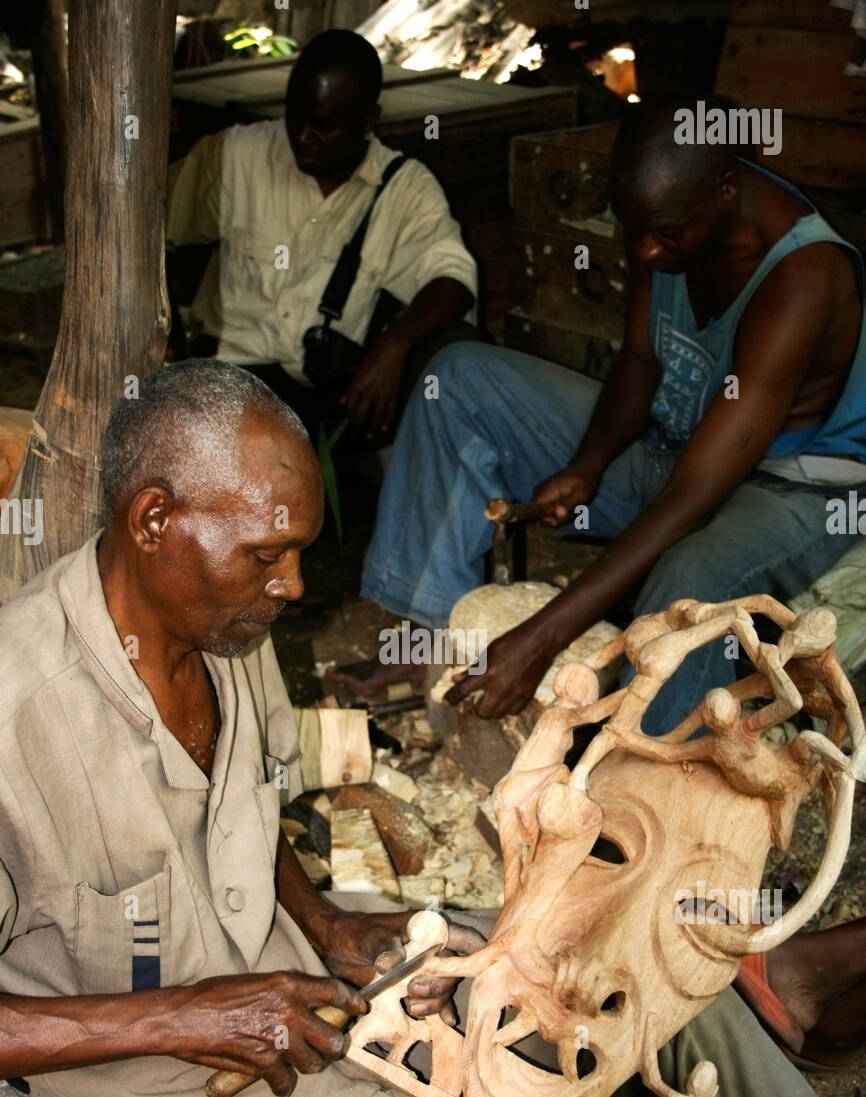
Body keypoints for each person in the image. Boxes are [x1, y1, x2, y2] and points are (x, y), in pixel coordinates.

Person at [1, 359, 864, 1097]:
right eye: (266, 554)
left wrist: (329, 926)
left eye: (298, 551)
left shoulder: (222, 624)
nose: (292, 586)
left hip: (306, 978)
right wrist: (189, 1014)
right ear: (154, 518)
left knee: (640, 976)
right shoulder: (17, 714)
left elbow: (241, 803)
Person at [343, 93, 866, 731]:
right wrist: (588, 466)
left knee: (689, 578)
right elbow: (641, 362)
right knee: (459, 379)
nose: (644, 252)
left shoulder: (804, 277)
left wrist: (542, 637)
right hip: (680, 443)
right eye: (632, 227)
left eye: (664, 235)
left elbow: (695, 496)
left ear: (727, 189)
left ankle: (642, 787)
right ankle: (428, 630)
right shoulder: (667, 222)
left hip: (789, 489)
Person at [166, 29, 477, 439]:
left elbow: (454, 278)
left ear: (368, 120)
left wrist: (396, 343)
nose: (302, 137)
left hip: (313, 400)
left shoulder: (405, 189)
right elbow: (148, 224)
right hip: (221, 384)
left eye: (323, 126)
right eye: (295, 118)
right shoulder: (238, 154)